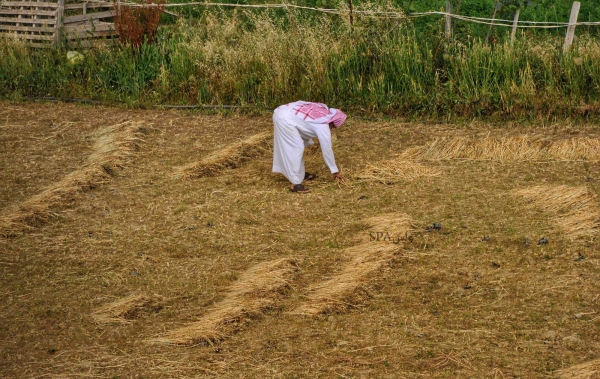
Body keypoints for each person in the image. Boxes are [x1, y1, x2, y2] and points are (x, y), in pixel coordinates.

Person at [272, 101, 347, 194]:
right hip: (284, 119)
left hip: (283, 111)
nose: (333, 128)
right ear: (332, 122)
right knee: (296, 148)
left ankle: (300, 174)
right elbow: (327, 149)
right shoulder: (323, 125)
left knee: (298, 146)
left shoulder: (322, 110)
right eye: (333, 126)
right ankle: (295, 183)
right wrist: (335, 171)